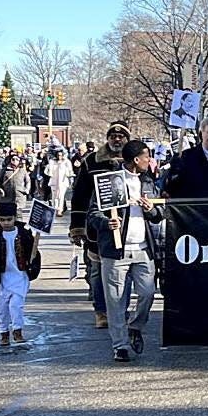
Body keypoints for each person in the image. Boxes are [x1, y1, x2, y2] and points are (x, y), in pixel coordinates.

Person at [88, 140, 164, 362]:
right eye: (147, 157)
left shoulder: (149, 182)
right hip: (115, 251)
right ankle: (120, 345)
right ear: (135, 160)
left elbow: (160, 214)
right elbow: (93, 214)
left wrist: (152, 210)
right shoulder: (110, 181)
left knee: (148, 293)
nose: (150, 161)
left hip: (143, 249)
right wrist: (106, 223)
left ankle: (135, 326)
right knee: (115, 301)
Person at [70, 121, 129, 329]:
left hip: (126, 226)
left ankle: (121, 309)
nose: (117, 139)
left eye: (121, 136)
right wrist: (77, 227)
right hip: (97, 227)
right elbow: (79, 196)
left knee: (124, 271)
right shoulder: (92, 162)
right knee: (96, 270)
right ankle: (101, 311)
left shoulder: (132, 161)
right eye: (113, 136)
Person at [0, 202, 41, 347]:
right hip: (1, 278)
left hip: (19, 276)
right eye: (2, 219)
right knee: (2, 307)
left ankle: (17, 330)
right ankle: (4, 333)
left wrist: (33, 267)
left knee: (16, 305)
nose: (6, 223)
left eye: (9, 219)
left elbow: (34, 253)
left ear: (14, 218)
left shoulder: (24, 234)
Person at [0, 155, 32, 220]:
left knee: (18, 215)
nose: (15, 161)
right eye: (13, 159)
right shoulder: (4, 170)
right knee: (8, 215)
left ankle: (19, 227)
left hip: (19, 196)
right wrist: (0, 189)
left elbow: (28, 181)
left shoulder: (23, 171)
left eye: (17, 159)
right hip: (6, 197)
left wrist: (26, 189)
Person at [45, 149, 75, 216]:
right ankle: (54, 209)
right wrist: (50, 171)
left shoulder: (66, 162)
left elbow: (70, 171)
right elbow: (46, 171)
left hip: (63, 182)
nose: (59, 157)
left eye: (61, 155)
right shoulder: (52, 162)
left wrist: (68, 173)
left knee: (61, 196)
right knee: (54, 196)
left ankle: (60, 210)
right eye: (58, 155)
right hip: (54, 181)